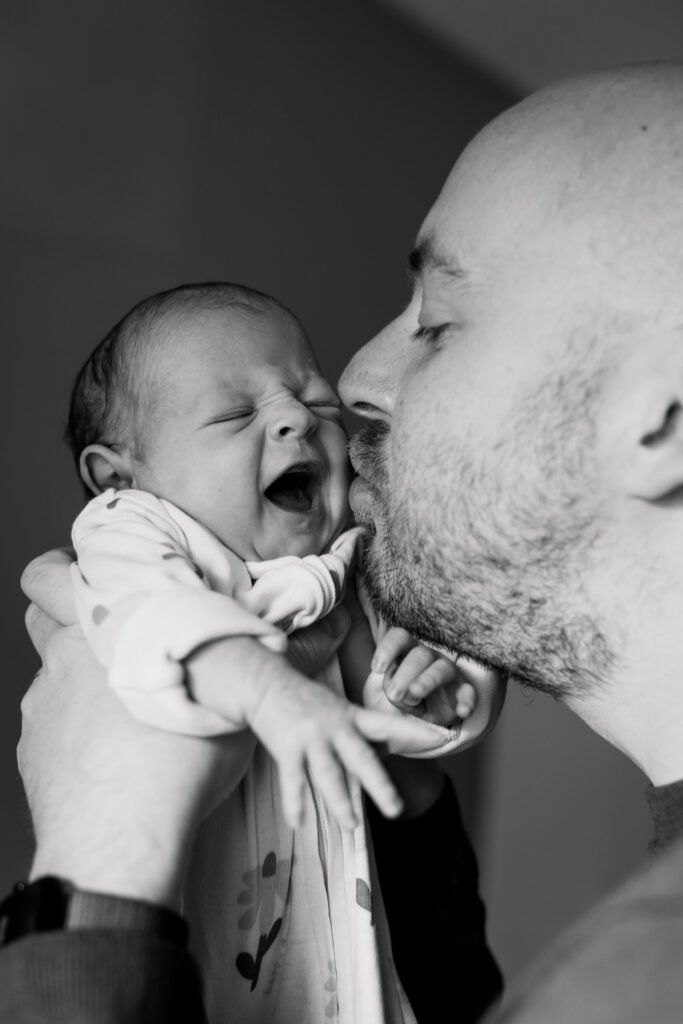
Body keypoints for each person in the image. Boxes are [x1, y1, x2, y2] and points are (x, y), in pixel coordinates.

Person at [8, 58, 683, 1023]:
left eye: (438, 324)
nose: (347, 387)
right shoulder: (141, 538)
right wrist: (407, 782)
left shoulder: (636, 979)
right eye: (237, 410)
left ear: (662, 421)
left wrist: (94, 883)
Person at [61, 279, 497, 1024]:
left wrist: (426, 685)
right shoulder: (133, 535)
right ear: (118, 477)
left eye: (316, 402)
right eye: (237, 413)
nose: (297, 417)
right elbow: (148, 620)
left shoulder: (348, 558)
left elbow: (412, 725)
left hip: (351, 968)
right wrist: (272, 690)